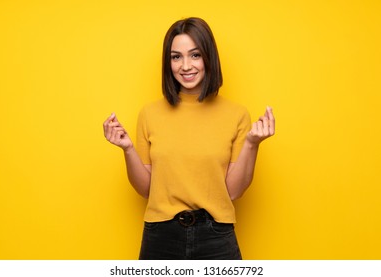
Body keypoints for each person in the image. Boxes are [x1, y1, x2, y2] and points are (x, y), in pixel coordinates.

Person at [103, 17, 275, 260]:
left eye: (195, 55)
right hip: (160, 235)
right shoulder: (149, 114)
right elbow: (145, 189)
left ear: (208, 57)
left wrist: (252, 144)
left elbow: (234, 191)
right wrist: (127, 148)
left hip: (216, 235)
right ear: (168, 62)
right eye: (176, 57)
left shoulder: (237, 114)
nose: (185, 65)